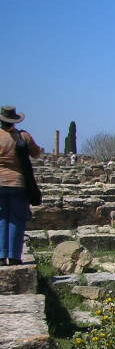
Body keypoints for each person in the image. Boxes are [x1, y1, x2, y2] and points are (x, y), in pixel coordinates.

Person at [0, 106, 42, 266]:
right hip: (18, 183)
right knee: (17, 219)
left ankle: (1, 255)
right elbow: (36, 153)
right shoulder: (23, 136)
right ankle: (14, 256)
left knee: (1, 218)